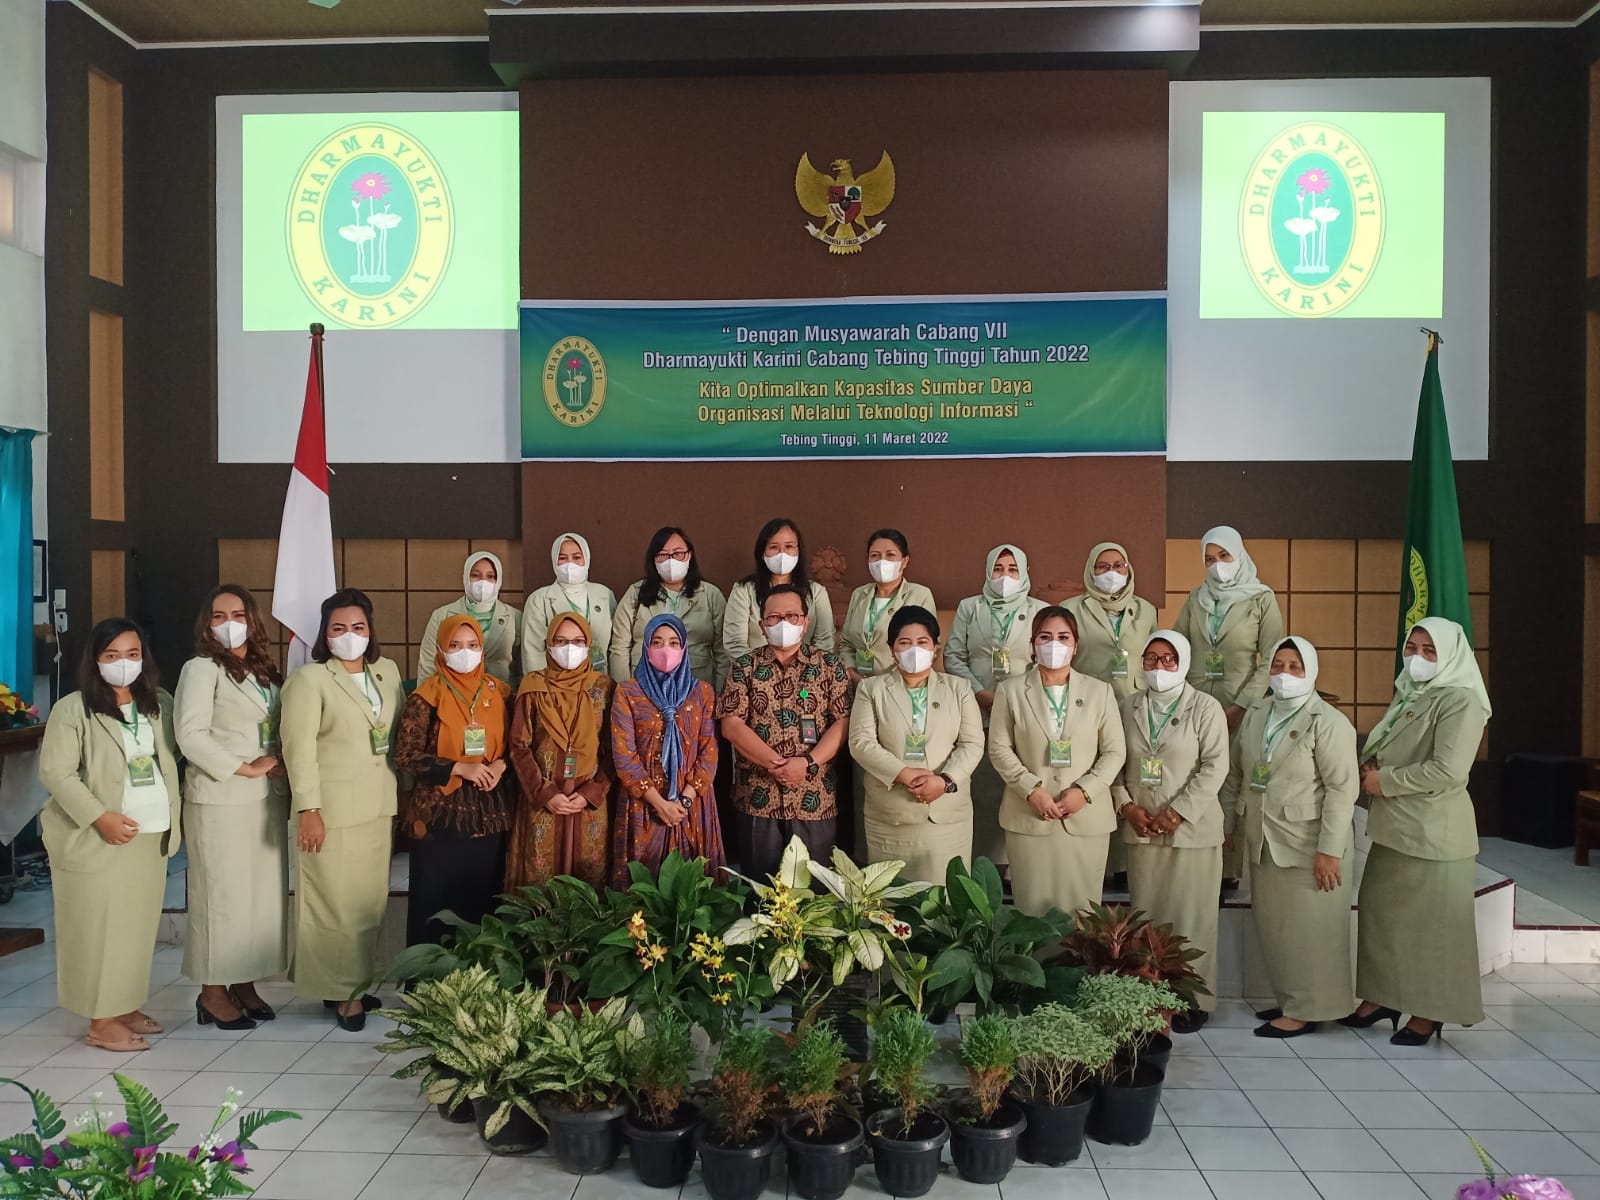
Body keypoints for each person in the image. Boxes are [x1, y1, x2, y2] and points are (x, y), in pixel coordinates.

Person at [39, 619, 182, 1052]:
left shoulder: (158, 702)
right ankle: (102, 1022)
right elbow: (56, 773)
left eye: (132, 654)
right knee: (99, 931)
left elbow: (173, 756)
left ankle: (124, 1006)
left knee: (135, 930)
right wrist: (99, 817)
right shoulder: (74, 709)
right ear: (95, 660)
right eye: (112, 655)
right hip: (99, 839)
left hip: (150, 836)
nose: (124, 663)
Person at [1346, 617, 1489, 1046]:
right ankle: (1382, 997)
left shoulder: (1461, 700)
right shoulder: (1412, 691)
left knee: (1432, 929)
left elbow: (1448, 770)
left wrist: (1384, 781)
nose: (1418, 658)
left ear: (1450, 656)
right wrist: (1372, 763)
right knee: (1382, 916)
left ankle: (1428, 1012)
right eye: (1412, 648)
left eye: (1430, 650)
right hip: (1396, 828)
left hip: (1434, 833)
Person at [280, 588, 405, 1032]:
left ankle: (354, 981)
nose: (349, 635)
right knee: (332, 904)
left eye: (358, 627)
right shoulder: (309, 680)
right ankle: (341, 993)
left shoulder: (386, 672)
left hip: (378, 804)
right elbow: (297, 750)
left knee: (366, 905)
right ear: (325, 634)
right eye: (339, 628)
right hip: (330, 811)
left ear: (370, 631)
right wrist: (308, 808)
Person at [1221, 637, 1357, 1038]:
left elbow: (1342, 790)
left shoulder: (1328, 722)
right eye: (1277, 665)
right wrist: (1227, 824)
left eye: (1294, 666)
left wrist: (1329, 850)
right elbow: (1236, 774)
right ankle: (1291, 999)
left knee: (1312, 931)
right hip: (1263, 838)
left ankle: (1308, 1009)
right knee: (1278, 929)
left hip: (1309, 843)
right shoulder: (1258, 713)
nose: (1284, 674)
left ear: (1311, 671)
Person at [173, 585, 289, 1031]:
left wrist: (277, 760)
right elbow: (190, 735)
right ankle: (211, 992)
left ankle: (243, 981)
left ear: (252, 620)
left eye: (237, 615)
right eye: (218, 616)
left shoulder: (263, 670)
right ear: (207, 624)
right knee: (220, 897)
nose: (229, 624)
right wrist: (245, 767)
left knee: (255, 898)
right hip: (221, 798)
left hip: (264, 798)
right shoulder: (201, 669)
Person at [1113, 630, 1229, 1034]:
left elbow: (1215, 766)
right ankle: (1151, 996)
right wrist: (1127, 806)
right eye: (1151, 658)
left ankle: (1193, 1000)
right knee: (1149, 918)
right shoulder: (1128, 706)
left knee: (1191, 919)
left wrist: (1177, 812)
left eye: (1168, 659)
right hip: (1143, 829)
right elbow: (1113, 761)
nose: (1158, 666)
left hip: (1191, 832)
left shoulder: (1205, 707)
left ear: (1183, 662)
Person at [988, 608, 1125, 918]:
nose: (1054, 644)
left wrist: (1084, 791)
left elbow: (1115, 751)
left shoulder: (1100, 691)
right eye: (1045, 637)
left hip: (1086, 817)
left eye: (1063, 637)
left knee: (1082, 915)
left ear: (1076, 646)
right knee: (1033, 911)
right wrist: (1031, 789)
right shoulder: (1010, 691)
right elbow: (998, 748)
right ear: (1033, 644)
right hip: (1030, 815)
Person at [717, 583, 852, 880]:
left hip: (814, 798)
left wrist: (807, 763)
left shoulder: (830, 666)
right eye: (774, 617)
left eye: (792, 616)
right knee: (761, 891)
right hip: (758, 798)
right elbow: (732, 725)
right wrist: (778, 766)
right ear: (762, 625)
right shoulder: (744, 667)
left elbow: (843, 723)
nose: (783, 623)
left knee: (815, 892)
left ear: (805, 622)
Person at [1174, 526, 1284, 887]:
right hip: (1195, 704)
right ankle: (1193, 857)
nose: (1217, 564)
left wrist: (1240, 706)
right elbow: (1178, 646)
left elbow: (1271, 658)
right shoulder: (1196, 599)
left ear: (1239, 555)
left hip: (1242, 705)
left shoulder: (1261, 599)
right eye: (1209, 559)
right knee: (1192, 775)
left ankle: (1227, 869)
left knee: (1231, 782)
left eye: (1224, 556)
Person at [396, 615, 514, 946]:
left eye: (473, 645)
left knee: (481, 900)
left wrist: (501, 765)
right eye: (456, 645)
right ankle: (431, 976)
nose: (465, 652)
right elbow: (406, 755)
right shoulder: (425, 697)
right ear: (441, 650)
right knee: (435, 904)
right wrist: (460, 768)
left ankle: (477, 975)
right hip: (439, 817)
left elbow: (517, 744)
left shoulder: (498, 692)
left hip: (488, 814)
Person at [849, 606, 985, 883]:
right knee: (893, 898)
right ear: (892, 649)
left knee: (947, 895)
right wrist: (904, 774)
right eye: (904, 642)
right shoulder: (871, 689)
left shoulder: (959, 689)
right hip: (891, 815)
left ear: (935, 648)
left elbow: (972, 744)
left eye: (922, 642)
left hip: (947, 814)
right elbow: (861, 742)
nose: (914, 649)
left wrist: (945, 781)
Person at [1066, 541, 1159, 889]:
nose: (1111, 573)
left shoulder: (1146, 610)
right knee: (1095, 773)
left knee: (1130, 776)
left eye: (1118, 565)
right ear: (1090, 570)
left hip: (1134, 705)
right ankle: (1098, 862)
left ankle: (1124, 864)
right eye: (1102, 567)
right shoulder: (1072, 608)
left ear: (1129, 569)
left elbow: (1153, 656)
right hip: (1088, 705)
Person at [944, 545, 1043, 869]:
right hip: (978, 710)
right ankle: (982, 865)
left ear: (1024, 572)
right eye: (998, 569)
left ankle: (1017, 866)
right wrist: (980, 693)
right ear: (988, 572)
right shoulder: (970, 607)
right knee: (985, 789)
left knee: (1019, 784)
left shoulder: (1040, 610)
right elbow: (953, 656)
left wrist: (1012, 697)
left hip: (1024, 710)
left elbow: (1044, 661)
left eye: (1012, 569)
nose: (1004, 576)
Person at [610, 613, 725, 886]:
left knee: (695, 890)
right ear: (646, 647)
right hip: (643, 805)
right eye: (657, 642)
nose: (666, 650)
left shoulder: (703, 692)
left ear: (684, 649)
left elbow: (709, 751)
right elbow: (624, 756)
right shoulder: (627, 692)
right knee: (643, 892)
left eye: (674, 643)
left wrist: (684, 801)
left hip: (692, 806)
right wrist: (659, 803)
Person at [507, 613, 616, 889]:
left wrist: (592, 792)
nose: (569, 648)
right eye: (561, 641)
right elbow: (519, 745)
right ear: (548, 645)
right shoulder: (533, 686)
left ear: (588, 645)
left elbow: (614, 750)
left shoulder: (604, 688)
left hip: (588, 803)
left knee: (588, 878)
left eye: (578, 641)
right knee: (539, 878)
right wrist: (545, 793)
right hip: (543, 801)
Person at [609, 526, 730, 690]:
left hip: (697, 686)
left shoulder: (710, 594)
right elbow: (619, 647)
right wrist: (626, 692)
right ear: (653, 559)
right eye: (663, 555)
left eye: (678, 553)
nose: (671, 561)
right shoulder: (635, 593)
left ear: (689, 555)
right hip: (643, 687)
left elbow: (723, 651)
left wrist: (719, 694)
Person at [722, 517, 837, 660]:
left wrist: (802, 668)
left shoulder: (817, 592)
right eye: (774, 547)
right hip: (754, 670)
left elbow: (825, 642)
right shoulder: (743, 590)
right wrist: (764, 668)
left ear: (798, 551)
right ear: (762, 552)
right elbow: (734, 643)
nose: (782, 553)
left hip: (808, 671)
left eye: (789, 546)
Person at [840, 529, 936, 681]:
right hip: (857, 681)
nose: (881, 561)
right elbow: (846, 643)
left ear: (904, 561)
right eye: (875, 555)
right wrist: (852, 673)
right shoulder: (859, 594)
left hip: (898, 683)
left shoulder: (919, 595)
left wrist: (886, 684)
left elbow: (928, 647)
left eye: (890, 555)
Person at [418, 551, 522, 685]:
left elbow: (523, 667)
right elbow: (428, 666)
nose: (483, 582)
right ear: (465, 577)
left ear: (499, 580)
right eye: (475, 575)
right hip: (453, 694)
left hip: (503, 693)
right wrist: (426, 695)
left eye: (490, 576)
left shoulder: (515, 617)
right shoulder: (441, 616)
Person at [521, 532, 617, 676]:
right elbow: (533, 653)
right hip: (554, 683)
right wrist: (540, 686)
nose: (570, 564)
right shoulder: (539, 599)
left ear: (587, 559)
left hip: (598, 679)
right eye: (562, 558)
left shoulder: (605, 594)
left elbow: (615, 645)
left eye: (576, 557)